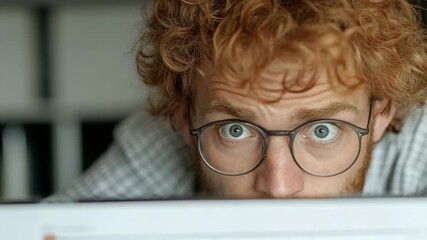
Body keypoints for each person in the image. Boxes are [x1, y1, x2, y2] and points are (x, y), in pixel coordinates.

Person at [47, 0, 426, 201]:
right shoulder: (160, 139)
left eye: (322, 130)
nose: (277, 187)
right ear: (183, 120)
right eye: (237, 129)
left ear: (380, 115)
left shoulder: (419, 143)